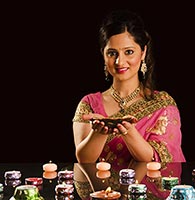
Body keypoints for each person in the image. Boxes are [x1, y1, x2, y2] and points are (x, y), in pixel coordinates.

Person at [72, 9, 186, 166]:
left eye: (129, 52)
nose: (120, 61)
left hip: (147, 189)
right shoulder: (89, 104)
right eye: (112, 53)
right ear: (103, 55)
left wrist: (127, 131)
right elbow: (84, 161)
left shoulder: (162, 104)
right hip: (103, 190)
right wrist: (98, 132)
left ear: (143, 52)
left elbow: (160, 162)